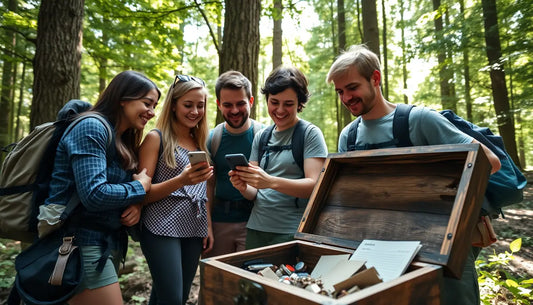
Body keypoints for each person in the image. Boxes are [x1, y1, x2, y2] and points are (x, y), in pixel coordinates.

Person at [326, 44, 501, 305]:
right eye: (340, 91)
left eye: (352, 88)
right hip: (380, 249)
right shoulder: (348, 137)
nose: (346, 98)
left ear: (375, 78)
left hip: (443, 245)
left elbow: (490, 161)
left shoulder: (418, 120)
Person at [43, 70, 159, 305]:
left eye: (154, 105)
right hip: (79, 243)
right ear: (123, 98)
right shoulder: (91, 127)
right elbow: (94, 194)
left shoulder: (121, 138)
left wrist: (134, 206)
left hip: (105, 244)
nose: (152, 112)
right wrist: (138, 188)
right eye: (147, 103)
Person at [229, 66, 328, 249]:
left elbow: (315, 185)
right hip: (256, 229)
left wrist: (270, 181)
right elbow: (254, 192)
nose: (280, 110)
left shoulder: (310, 134)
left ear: (299, 103)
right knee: (250, 278)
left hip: (292, 230)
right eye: (274, 102)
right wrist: (243, 186)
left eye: (288, 104)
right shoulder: (262, 136)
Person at [138, 74, 214, 305]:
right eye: (188, 105)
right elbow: (140, 194)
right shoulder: (155, 138)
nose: (195, 111)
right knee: (171, 299)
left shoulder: (201, 142)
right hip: (160, 226)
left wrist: (208, 226)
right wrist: (181, 180)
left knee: (173, 296)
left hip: (193, 226)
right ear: (173, 106)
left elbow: (204, 190)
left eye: (200, 105)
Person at [203, 70, 264, 258]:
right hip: (220, 222)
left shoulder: (263, 135)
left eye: (241, 104)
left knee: (249, 282)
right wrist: (207, 226)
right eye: (228, 105)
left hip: (255, 223)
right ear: (219, 105)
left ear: (251, 102)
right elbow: (208, 185)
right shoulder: (213, 138)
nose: (235, 110)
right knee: (218, 282)